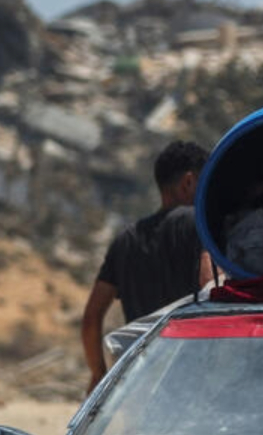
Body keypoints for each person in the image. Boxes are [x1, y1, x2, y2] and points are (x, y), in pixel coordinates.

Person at [81, 141, 213, 393]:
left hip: (142, 384)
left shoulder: (125, 240)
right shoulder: (199, 223)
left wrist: (98, 374)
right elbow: (210, 287)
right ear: (189, 182)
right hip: (194, 375)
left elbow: (91, 317)